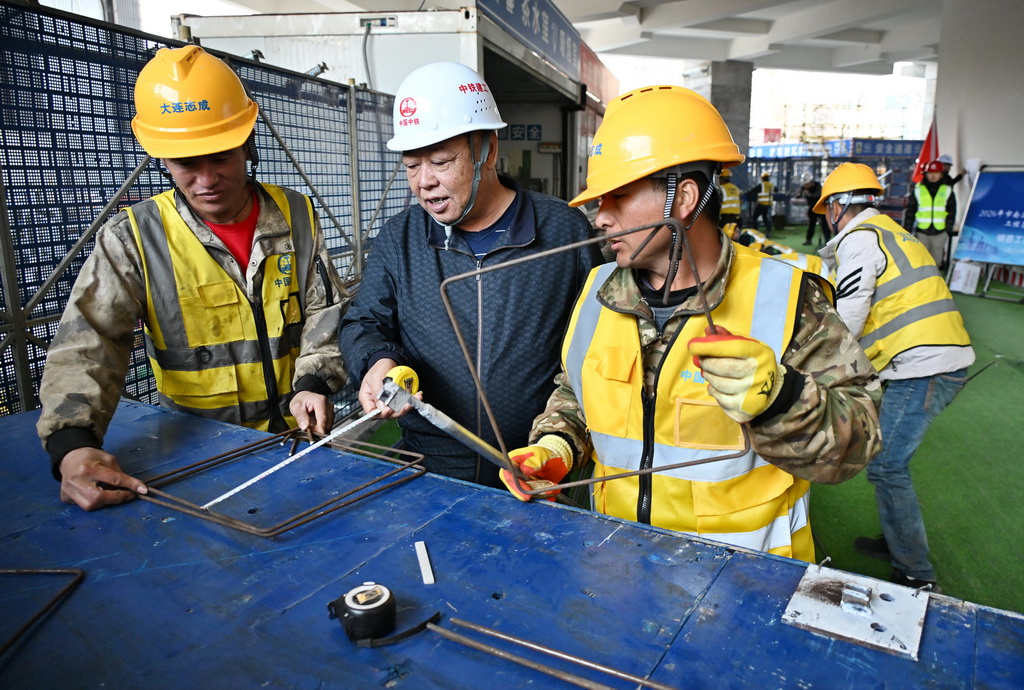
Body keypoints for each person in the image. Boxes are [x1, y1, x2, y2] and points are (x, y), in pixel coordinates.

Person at [500, 85, 882, 564]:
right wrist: (556, 446)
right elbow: (577, 393)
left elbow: (859, 442)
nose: (601, 218)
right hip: (616, 562)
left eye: (618, 196)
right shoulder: (598, 290)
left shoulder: (785, 297)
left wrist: (781, 398)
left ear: (682, 198)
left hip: (745, 572)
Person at [36, 46, 350, 511]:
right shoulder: (134, 238)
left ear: (247, 144)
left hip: (299, 441)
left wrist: (314, 383)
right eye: (186, 163)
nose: (206, 180)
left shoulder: (298, 215)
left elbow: (327, 311)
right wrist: (73, 443)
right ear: (162, 159)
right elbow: (89, 340)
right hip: (196, 457)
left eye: (220, 157)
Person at [338, 62, 601, 488]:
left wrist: (558, 444)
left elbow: (596, 341)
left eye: (441, 161)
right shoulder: (401, 238)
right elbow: (365, 321)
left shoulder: (562, 232)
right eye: (411, 165)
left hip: (534, 463)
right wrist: (376, 361)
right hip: (428, 463)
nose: (424, 181)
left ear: (488, 151)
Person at [816, 162, 975, 590]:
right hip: (934, 358)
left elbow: (850, 316)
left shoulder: (859, 239)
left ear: (837, 206)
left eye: (826, 207)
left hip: (923, 366)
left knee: (887, 466)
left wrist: (816, 364)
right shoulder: (891, 231)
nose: (826, 216)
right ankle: (898, 541)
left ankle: (915, 571)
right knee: (888, 462)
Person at [905, 160, 956, 268]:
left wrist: (949, 228)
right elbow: (910, 211)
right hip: (922, 231)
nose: (933, 176)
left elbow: (952, 210)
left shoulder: (947, 190)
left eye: (936, 173)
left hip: (940, 232)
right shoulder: (918, 189)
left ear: (941, 175)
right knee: (921, 261)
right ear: (926, 174)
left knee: (936, 262)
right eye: (930, 173)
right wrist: (907, 229)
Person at [797, 172, 825, 246]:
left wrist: (809, 194)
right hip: (812, 207)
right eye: (804, 184)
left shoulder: (818, 185)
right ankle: (808, 240)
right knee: (811, 224)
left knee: (824, 224)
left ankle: (827, 240)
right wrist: (799, 193)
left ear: (811, 182)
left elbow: (818, 195)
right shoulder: (803, 187)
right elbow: (797, 196)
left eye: (807, 184)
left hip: (821, 206)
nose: (805, 185)